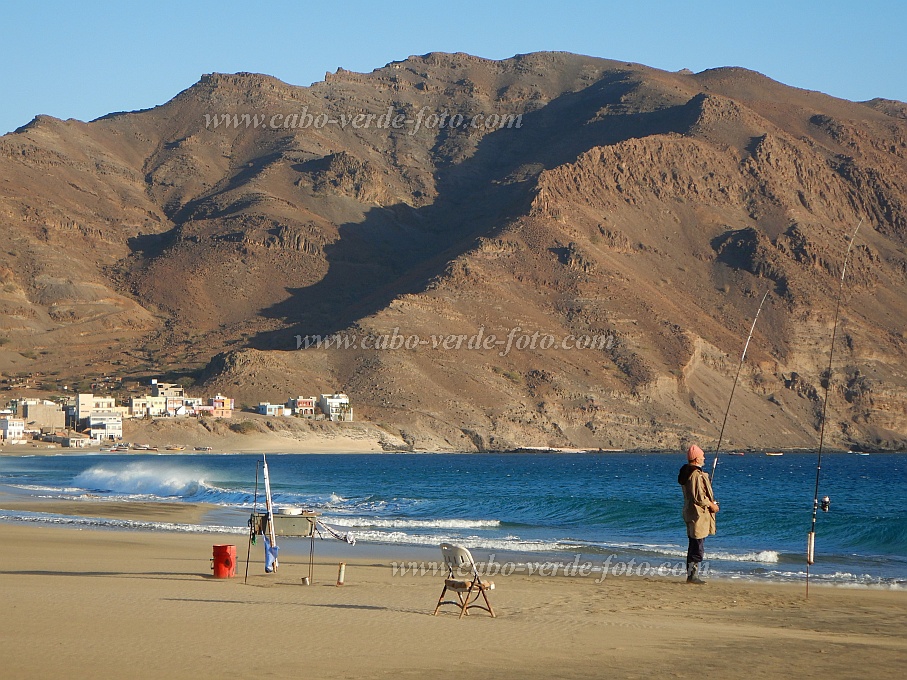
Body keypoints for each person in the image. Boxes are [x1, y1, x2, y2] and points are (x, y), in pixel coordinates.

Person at [677, 444, 719, 584]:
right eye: (702, 456)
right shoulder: (695, 474)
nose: (704, 458)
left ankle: (692, 575)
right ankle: (692, 576)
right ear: (696, 459)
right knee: (697, 544)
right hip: (697, 514)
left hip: (692, 512)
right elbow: (699, 498)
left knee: (695, 543)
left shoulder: (690, 473)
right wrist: (712, 505)